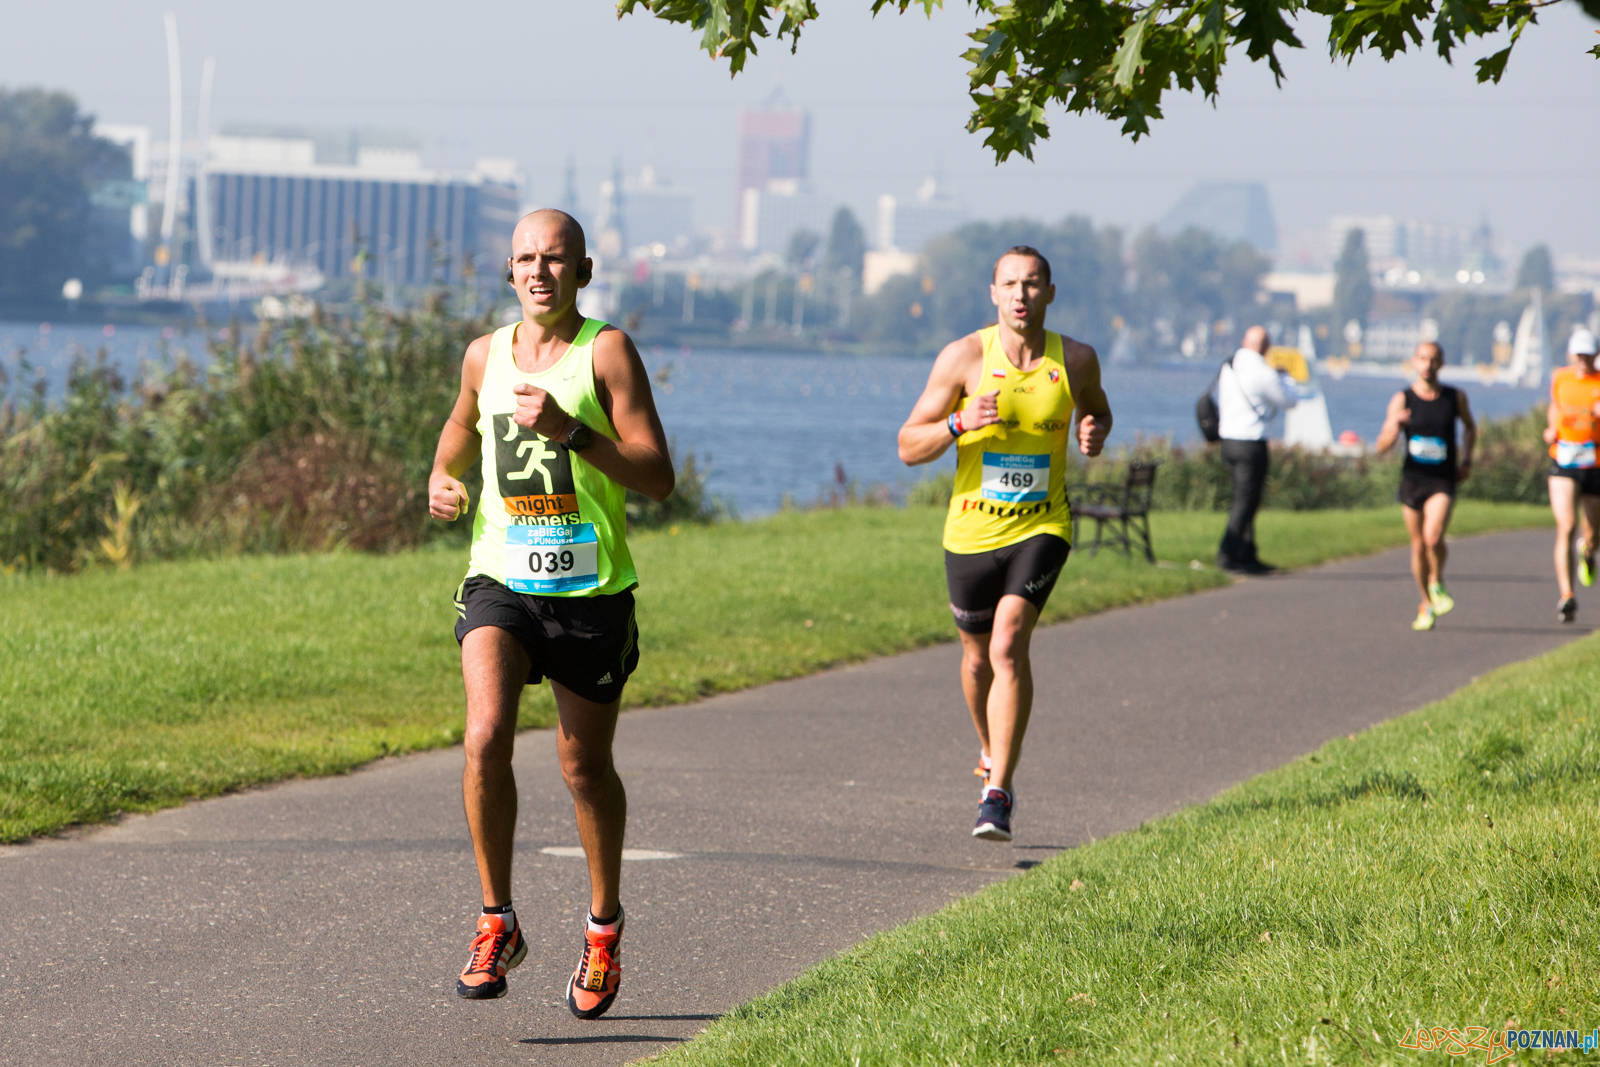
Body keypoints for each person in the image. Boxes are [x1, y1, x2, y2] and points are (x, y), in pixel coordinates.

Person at [427, 209, 674, 1018]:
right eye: (527, 259)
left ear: (584, 271)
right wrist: (441, 476)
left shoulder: (606, 350)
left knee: (583, 769)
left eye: (557, 259)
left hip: (591, 589)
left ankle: (604, 928)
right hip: (501, 575)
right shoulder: (483, 354)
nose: (541, 272)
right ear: (509, 270)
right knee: (485, 734)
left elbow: (657, 476)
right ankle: (497, 919)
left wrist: (572, 431)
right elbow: (462, 429)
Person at [897, 246, 1112, 843]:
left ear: (1050, 292)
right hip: (970, 532)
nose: (1021, 294)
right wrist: (959, 424)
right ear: (993, 293)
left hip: (1042, 527)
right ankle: (990, 749)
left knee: (1009, 641)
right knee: (974, 658)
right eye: (1010, 284)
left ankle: (998, 793)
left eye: (1033, 283)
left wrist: (1093, 432)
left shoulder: (1077, 360)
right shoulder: (965, 357)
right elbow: (908, 445)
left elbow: (1097, 412)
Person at [1374, 341, 1476, 631]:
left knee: (1433, 538)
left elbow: (1470, 427)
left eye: (1433, 359)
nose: (1428, 365)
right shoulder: (1403, 399)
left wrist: (1467, 460)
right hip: (1413, 480)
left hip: (1442, 480)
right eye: (1422, 359)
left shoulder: (1454, 397)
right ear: (1413, 362)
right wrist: (1396, 425)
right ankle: (1426, 602)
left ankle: (1436, 580)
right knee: (1418, 547)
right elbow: (1382, 447)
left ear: (1441, 363)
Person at [1216, 326, 1298, 574]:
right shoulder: (1263, 372)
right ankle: (1227, 553)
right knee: (1247, 501)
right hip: (1251, 442)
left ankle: (1247, 553)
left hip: (1228, 440)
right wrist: (1285, 377)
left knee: (1244, 499)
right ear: (1266, 347)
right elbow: (1289, 400)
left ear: (1244, 342)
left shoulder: (1229, 366)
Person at [1543, 327, 1600, 623]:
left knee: (1593, 533)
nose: (1584, 360)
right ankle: (1567, 594)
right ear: (1571, 354)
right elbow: (1556, 406)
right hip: (1564, 460)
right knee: (1566, 525)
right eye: (1579, 354)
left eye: (1589, 355)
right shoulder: (1561, 378)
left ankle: (1587, 552)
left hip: (1595, 463)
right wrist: (1552, 428)